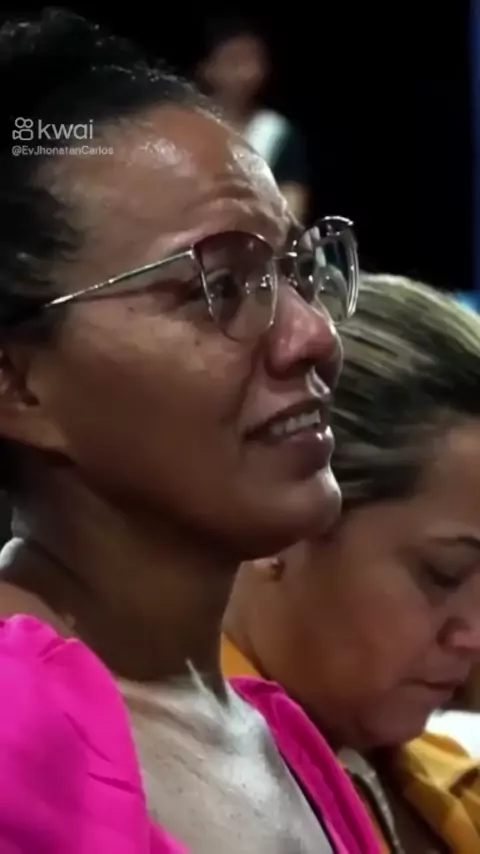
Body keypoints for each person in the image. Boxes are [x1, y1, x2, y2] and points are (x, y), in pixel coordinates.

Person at [0, 8, 381, 854]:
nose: (314, 335)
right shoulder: (12, 731)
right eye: (220, 286)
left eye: (295, 271)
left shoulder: (288, 739)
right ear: (16, 382)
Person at [224, 274, 480, 852]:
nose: (474, 635)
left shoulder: (454, 781)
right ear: (283, 524)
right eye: (443, 574)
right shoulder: (147, 790)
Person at [198, 16, 310, 221]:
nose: (247, 73)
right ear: (207, 67)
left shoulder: (276, 132)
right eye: (234, 62)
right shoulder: (188, 126)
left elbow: (293, 205)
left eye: (254, 61)